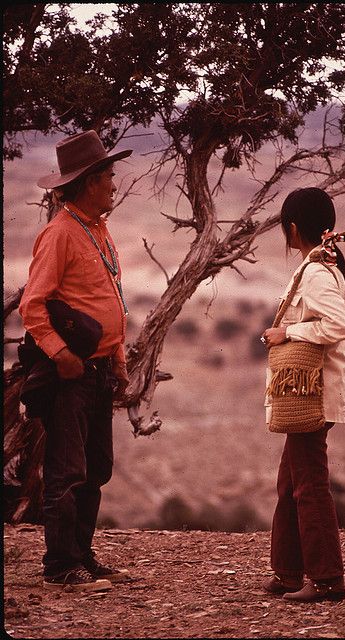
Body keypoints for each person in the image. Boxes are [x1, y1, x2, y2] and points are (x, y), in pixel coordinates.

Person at [19, 130, 133, 592]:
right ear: (87, 182)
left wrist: (119, 360)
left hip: (101, 371)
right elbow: (33, 305)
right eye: (107, 174)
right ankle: (61, 567)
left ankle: (81, 558)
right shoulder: (60, 233)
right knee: (67, 473)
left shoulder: (98, 230)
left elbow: (112, 300)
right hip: (73, 374)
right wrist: (61, 354)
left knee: (96, 467)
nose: (113, 182)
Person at [261, 187, 345, 602]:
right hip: (312, 392)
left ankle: (327, 579)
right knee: (291, 481)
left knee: (309, 484)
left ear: (293, 228)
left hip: (312, 394)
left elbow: (339, 325)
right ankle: (287, 573)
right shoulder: (321, 264)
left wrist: (289, 332)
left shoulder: (316, 272)